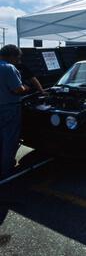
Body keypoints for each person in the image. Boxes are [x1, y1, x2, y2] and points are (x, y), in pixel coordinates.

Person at [0, 44, 29, 178]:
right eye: (17, 58)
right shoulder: (8, 68)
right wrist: (25, 87)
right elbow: (17, 89)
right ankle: (6, 170)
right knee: (9, 138)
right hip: (9, 108)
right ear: (11, 56)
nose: (19, 61)